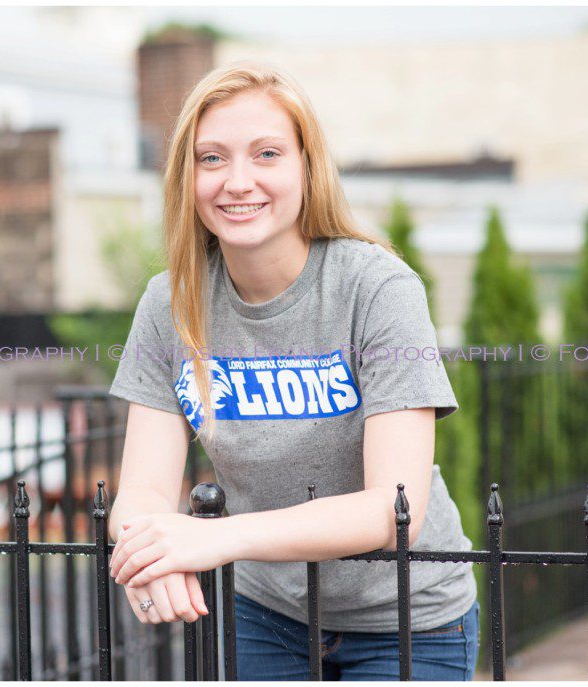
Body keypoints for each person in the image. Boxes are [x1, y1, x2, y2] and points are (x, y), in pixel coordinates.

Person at [105, 61, 479, 681]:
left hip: (409, 619)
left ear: (307, 168)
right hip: (267, 615)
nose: (238, 181)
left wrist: (217, 538)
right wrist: (153, 552)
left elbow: (393, 509)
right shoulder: (168, 302)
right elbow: (141, 491)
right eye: (212, 158)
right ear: (186, 178)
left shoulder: (378, 289)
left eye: (267, 154)